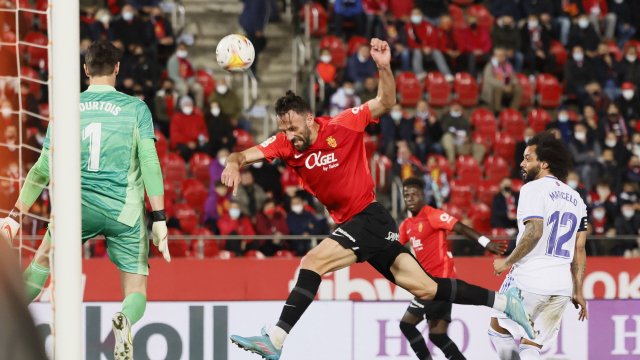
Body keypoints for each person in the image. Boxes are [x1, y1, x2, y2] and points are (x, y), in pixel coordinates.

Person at [222, 38, 534, 360]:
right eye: (284, 130)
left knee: (311, 262)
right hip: (361, 225)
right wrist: (233, 163)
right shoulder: (285, 145)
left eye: (293, 128)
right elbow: (243, 155)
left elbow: (386, 101)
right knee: (427, 288)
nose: (289, 136)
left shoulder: (343, 124)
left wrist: (384, 67)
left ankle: (276, 337)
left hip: (368, 217)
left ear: (310, 118)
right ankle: (504, 302)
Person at [0, 40, 170, 360]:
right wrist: (159, 216)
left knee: (43, 260)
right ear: (117, 69)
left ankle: (5, 316)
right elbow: (149, 162)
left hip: (76, 209)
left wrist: (15, 215)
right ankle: (124, 320)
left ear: (85, 70)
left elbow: (42, 170)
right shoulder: (136, 109)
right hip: (124, 212)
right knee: (135, 291)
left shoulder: (67, 108)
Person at [489, 131, 588, 360]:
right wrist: (579, 290)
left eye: (527, 158)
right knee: (531, 343)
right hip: (561, 286)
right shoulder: (577, 199)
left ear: (543, 163)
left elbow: (535, 231)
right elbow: (579, 249)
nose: (522, 164)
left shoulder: (532, 188)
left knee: (496, 329)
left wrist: (507, 261)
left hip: (530, 278)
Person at [399, 177, 507, 360]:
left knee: (406, 325)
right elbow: (394, 249)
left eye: (414, 194)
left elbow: (461, 228)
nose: (410, 198)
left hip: (437, 283)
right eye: (406, 195)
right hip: (427, 283)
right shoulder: (406, 226)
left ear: (423, 196)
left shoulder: (432, 215)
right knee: (437, 335)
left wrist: (486, 242)